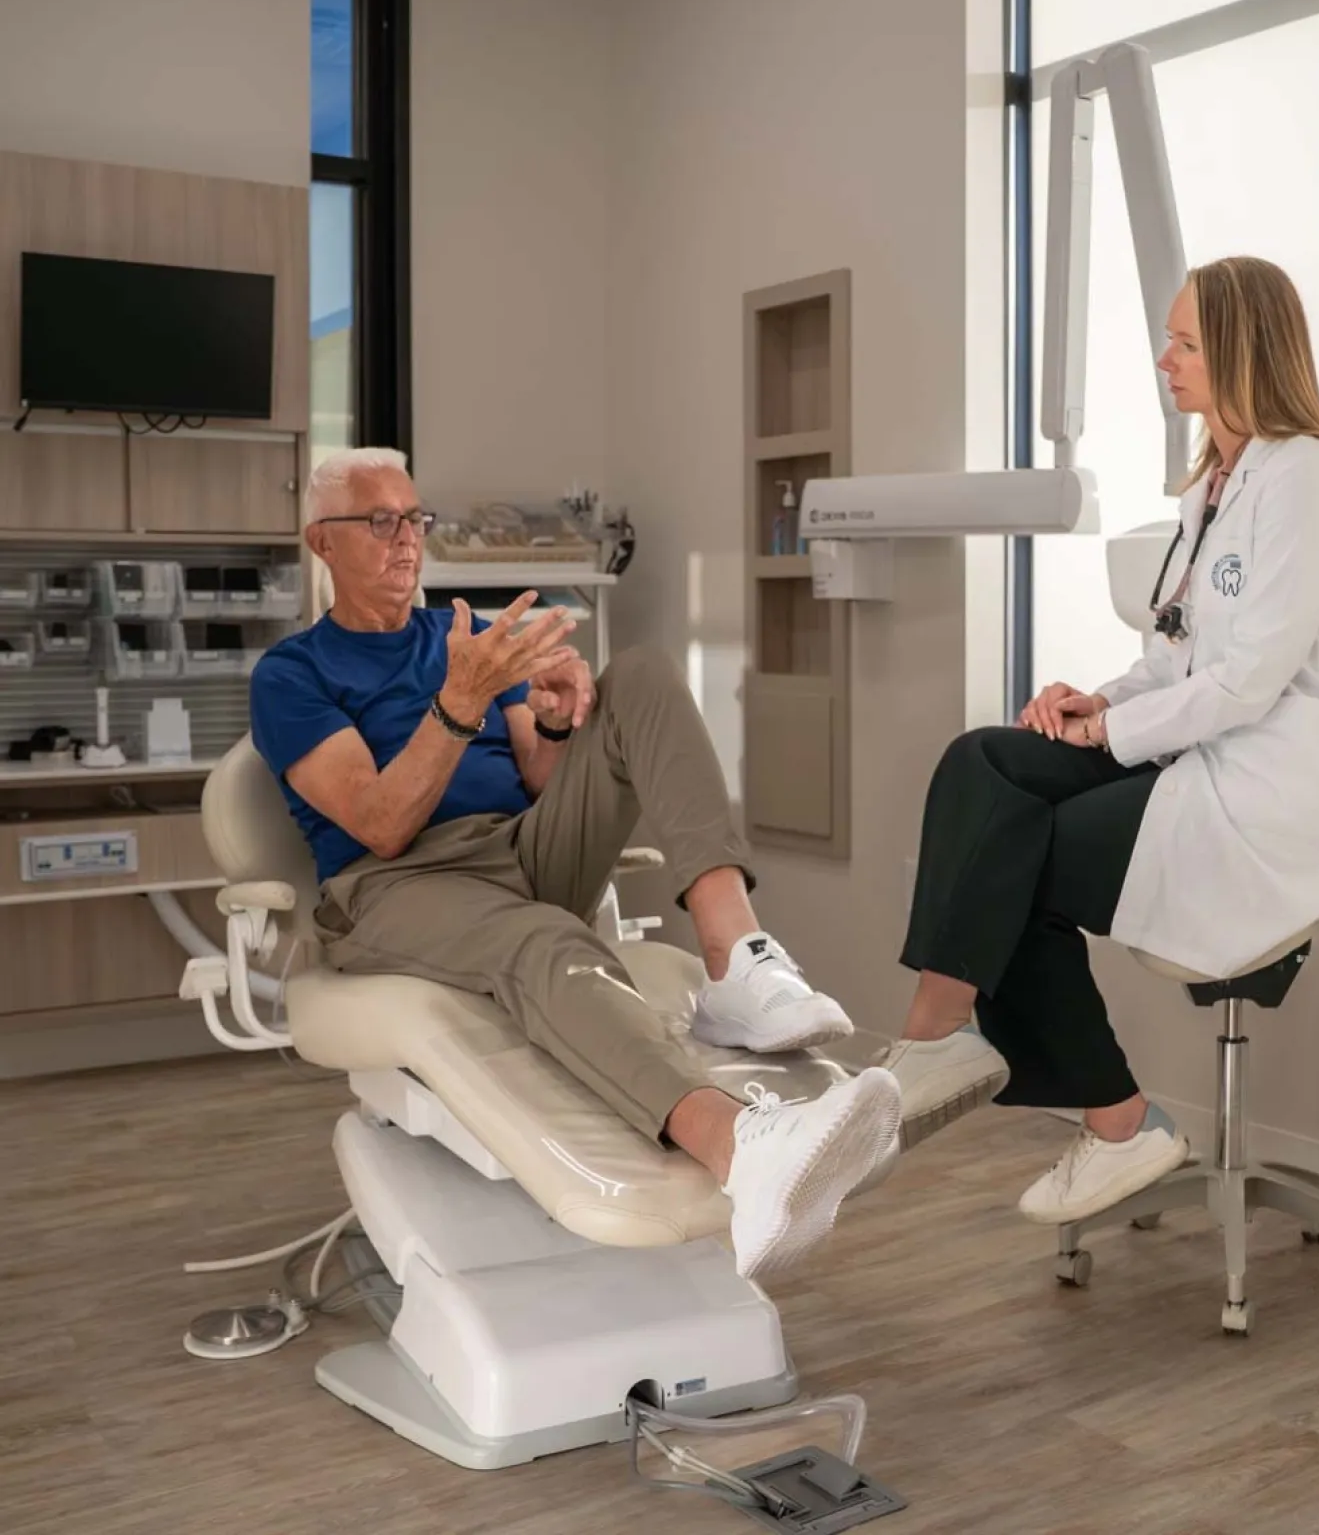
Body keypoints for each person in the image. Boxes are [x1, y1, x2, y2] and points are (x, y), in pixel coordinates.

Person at [249, 446, 901, 1282]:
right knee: (546, 945)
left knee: (641, 674)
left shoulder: (472, 641)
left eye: (414, 519)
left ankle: (736, 959)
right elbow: (379, 824)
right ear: (321, 543)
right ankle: (742, 1149)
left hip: (519, 851)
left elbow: (542, 784)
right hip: (397, 885)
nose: (405, 539)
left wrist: (554, 722)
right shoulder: (293, 673)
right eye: (379, 522)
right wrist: (460, 702)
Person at [883, 256, 1319, 1226]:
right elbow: (1174, 656)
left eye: (1186, 342)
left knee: (1015, 857)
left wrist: (1111, 734)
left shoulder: (1307, 479)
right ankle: (938, 1035)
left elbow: (1248, 681)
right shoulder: (1213, 486)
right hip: (1202, 751)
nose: (1166, 359)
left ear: (1243, 348)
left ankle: (1114, 1120)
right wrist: (1092, 701)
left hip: (1274, 796)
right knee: (981, 759)